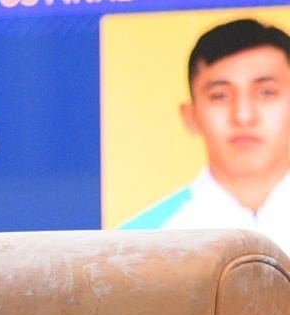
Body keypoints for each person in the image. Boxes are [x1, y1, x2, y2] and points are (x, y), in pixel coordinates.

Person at [121, 18, 290, 248]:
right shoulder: (136, 246)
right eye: (220, 95)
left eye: (266, 92)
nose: (243, 116)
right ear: (191, 116)